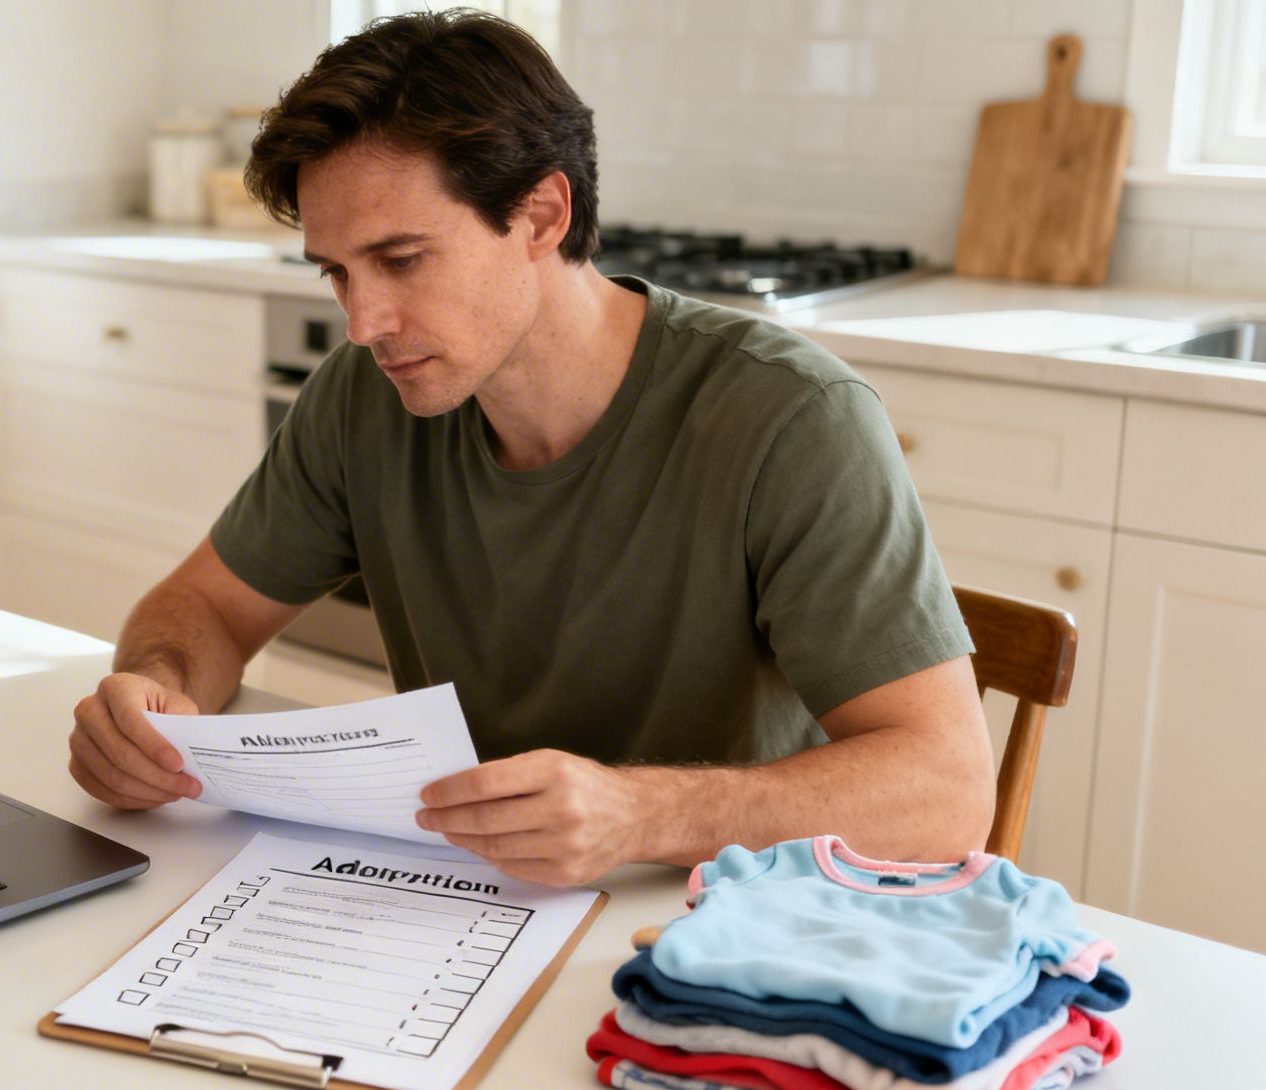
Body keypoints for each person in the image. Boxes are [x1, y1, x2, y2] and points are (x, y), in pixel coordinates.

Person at [66, 8, 993, 887]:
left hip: (706, 933)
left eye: (401, 260)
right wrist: (154, 693)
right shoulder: (364, 397)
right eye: (338, 273)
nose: (363, 324)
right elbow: (206, 610)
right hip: (462, 904)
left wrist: (638, 813)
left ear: (543, 215)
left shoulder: (791, 418)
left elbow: (947, 790)